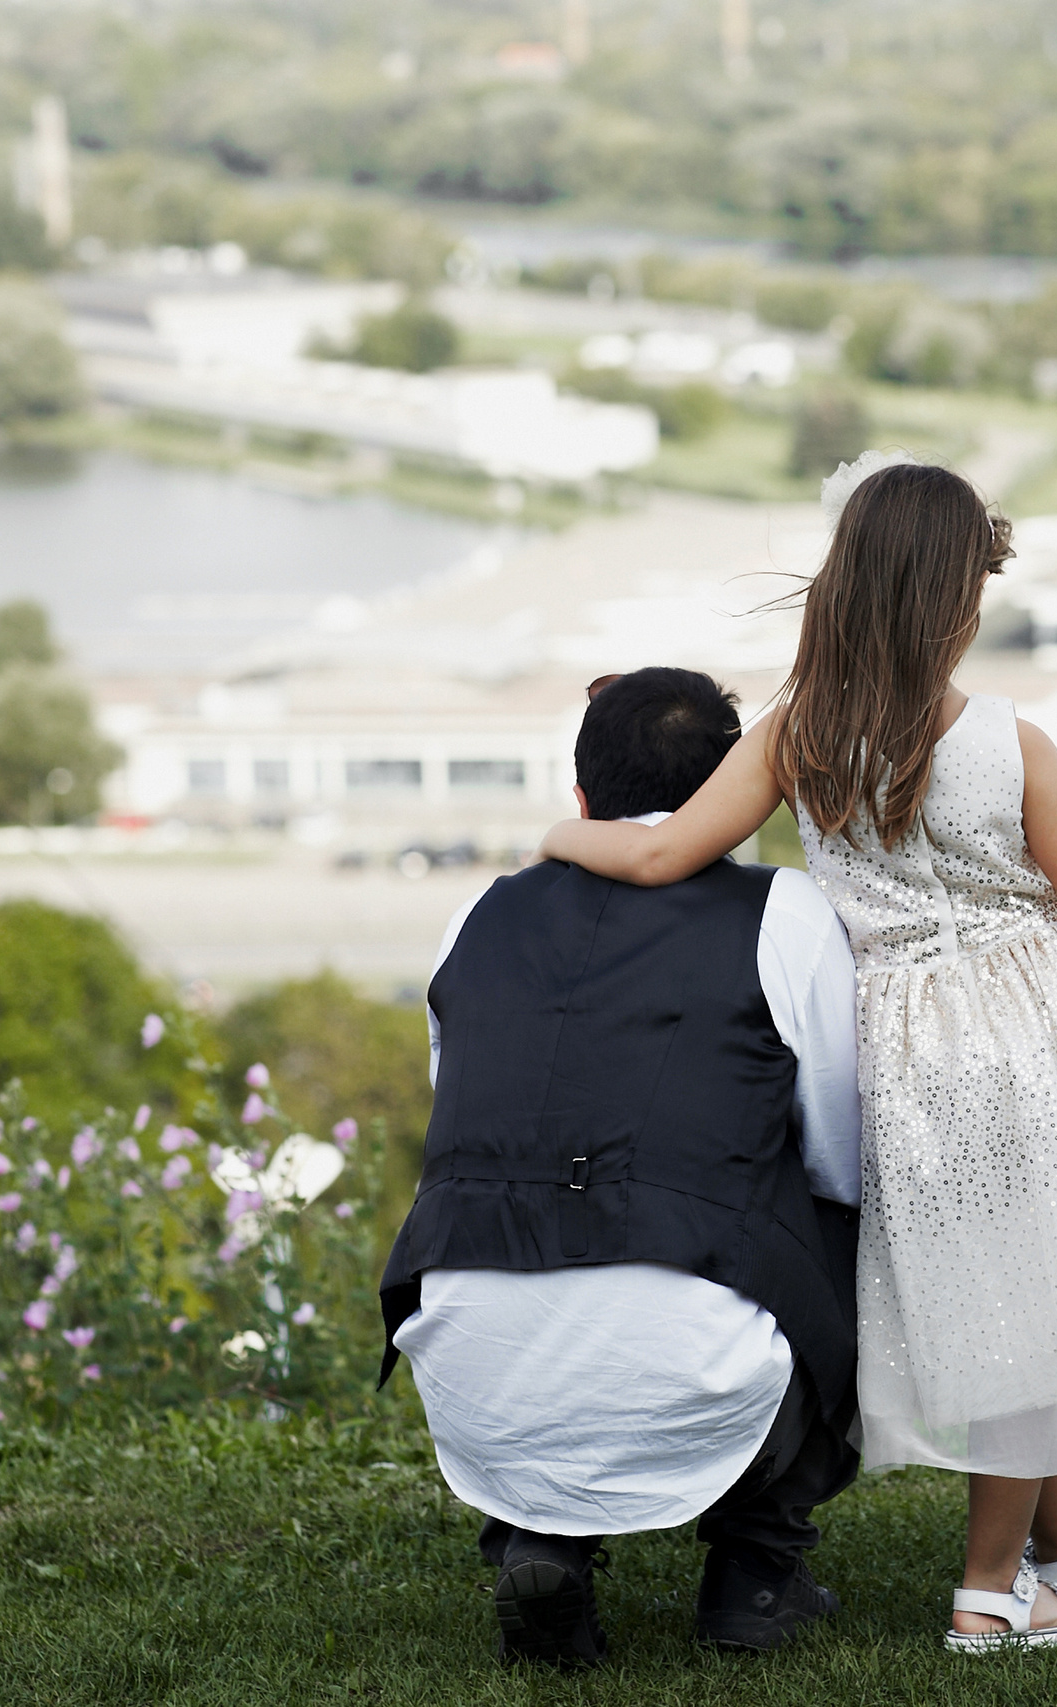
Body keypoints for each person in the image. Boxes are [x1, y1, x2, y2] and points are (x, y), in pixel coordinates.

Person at [537, 456, 1057, 1654]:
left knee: (1019, 1305)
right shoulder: (1010, 742)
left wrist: (562, 838)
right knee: (1033, 1308)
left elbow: (661, 856)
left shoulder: (795, 737)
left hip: (892, 1055)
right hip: (1025, 1048)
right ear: (954, 605)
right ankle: (986, 1595)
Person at [377, 667, 864, 1668]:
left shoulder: (480, 912)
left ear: (581, 794)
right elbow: (837, 1149)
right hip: (702, 1364)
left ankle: (538, 1541)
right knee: (838, 1213)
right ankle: (755, 1572)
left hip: (473, 1362)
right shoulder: (782, 910)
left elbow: (458, 1101)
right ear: (734, 791)